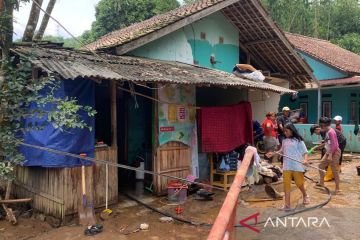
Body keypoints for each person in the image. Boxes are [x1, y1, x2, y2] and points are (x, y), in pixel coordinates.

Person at [266, 123, 310, 210]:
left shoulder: (299, 141)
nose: (285, 133)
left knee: (299, 183)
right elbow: (282, 151)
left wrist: (305, 160)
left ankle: (305, 195)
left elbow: (305, 152)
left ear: (292, 130)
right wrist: (273, 153)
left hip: (297, 166)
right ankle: (287, 205)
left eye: (286, 131)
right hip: (286, 166)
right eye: (284, 131)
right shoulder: (284, 141)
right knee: (286, 185)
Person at [317, 117, 341, 194]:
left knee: (334, 170)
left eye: (320, 125)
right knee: (320, 166)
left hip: (334, 152)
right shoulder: (328, 131)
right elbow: (330, 142)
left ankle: (337, 188)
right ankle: (321, 182)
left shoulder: (331, 132)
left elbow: (335, 145)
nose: (320, 127)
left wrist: (330, 155)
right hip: (329, 152)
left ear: (323, 125)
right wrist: (324, 142)